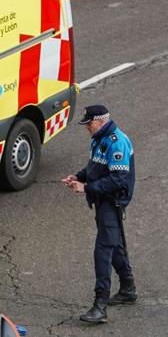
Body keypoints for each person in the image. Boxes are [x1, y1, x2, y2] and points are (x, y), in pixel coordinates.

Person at [62, 104, 137, 324]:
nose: (87, 128)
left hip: (112, 203)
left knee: (103, 250)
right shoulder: (99, 139)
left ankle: (100, 306)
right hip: (102, 201)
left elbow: (118, 180)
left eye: (89, 123)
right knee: (113, 244)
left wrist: (86, 188)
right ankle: (128, 289)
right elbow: (95, 167)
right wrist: (78, 177)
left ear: (101, 121)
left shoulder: (117, 142)